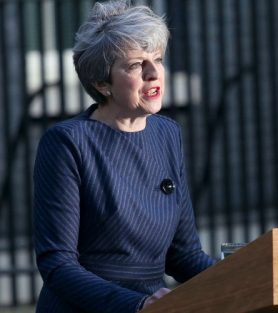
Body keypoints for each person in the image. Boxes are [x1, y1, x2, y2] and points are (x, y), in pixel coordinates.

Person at [33, 1, 216, 312]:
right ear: (102, 83)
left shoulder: (167, 134)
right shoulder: (67, 143)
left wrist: (253, 275)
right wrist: (136, 304)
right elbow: (57, 264)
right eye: (134, 65)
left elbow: (183, 255)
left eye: (157, 59)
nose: (153, 73)